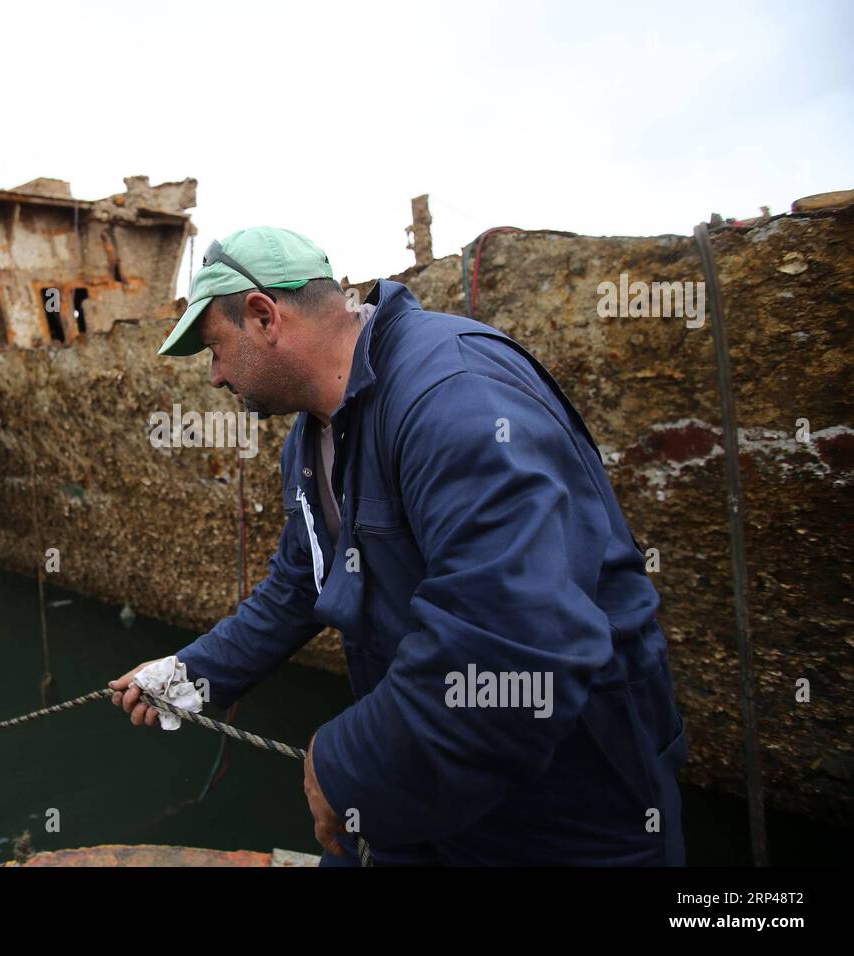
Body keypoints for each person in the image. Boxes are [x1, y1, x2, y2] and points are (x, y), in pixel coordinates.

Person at [110, 226, 687, 866]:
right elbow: (300, 586)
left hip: (568, 798)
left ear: (263, 316)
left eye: (214, 347)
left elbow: (517, 636)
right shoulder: (310, 442)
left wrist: (348, 763)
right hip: (427, 769)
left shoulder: (452, 394)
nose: (215, 376)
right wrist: (191, 675)